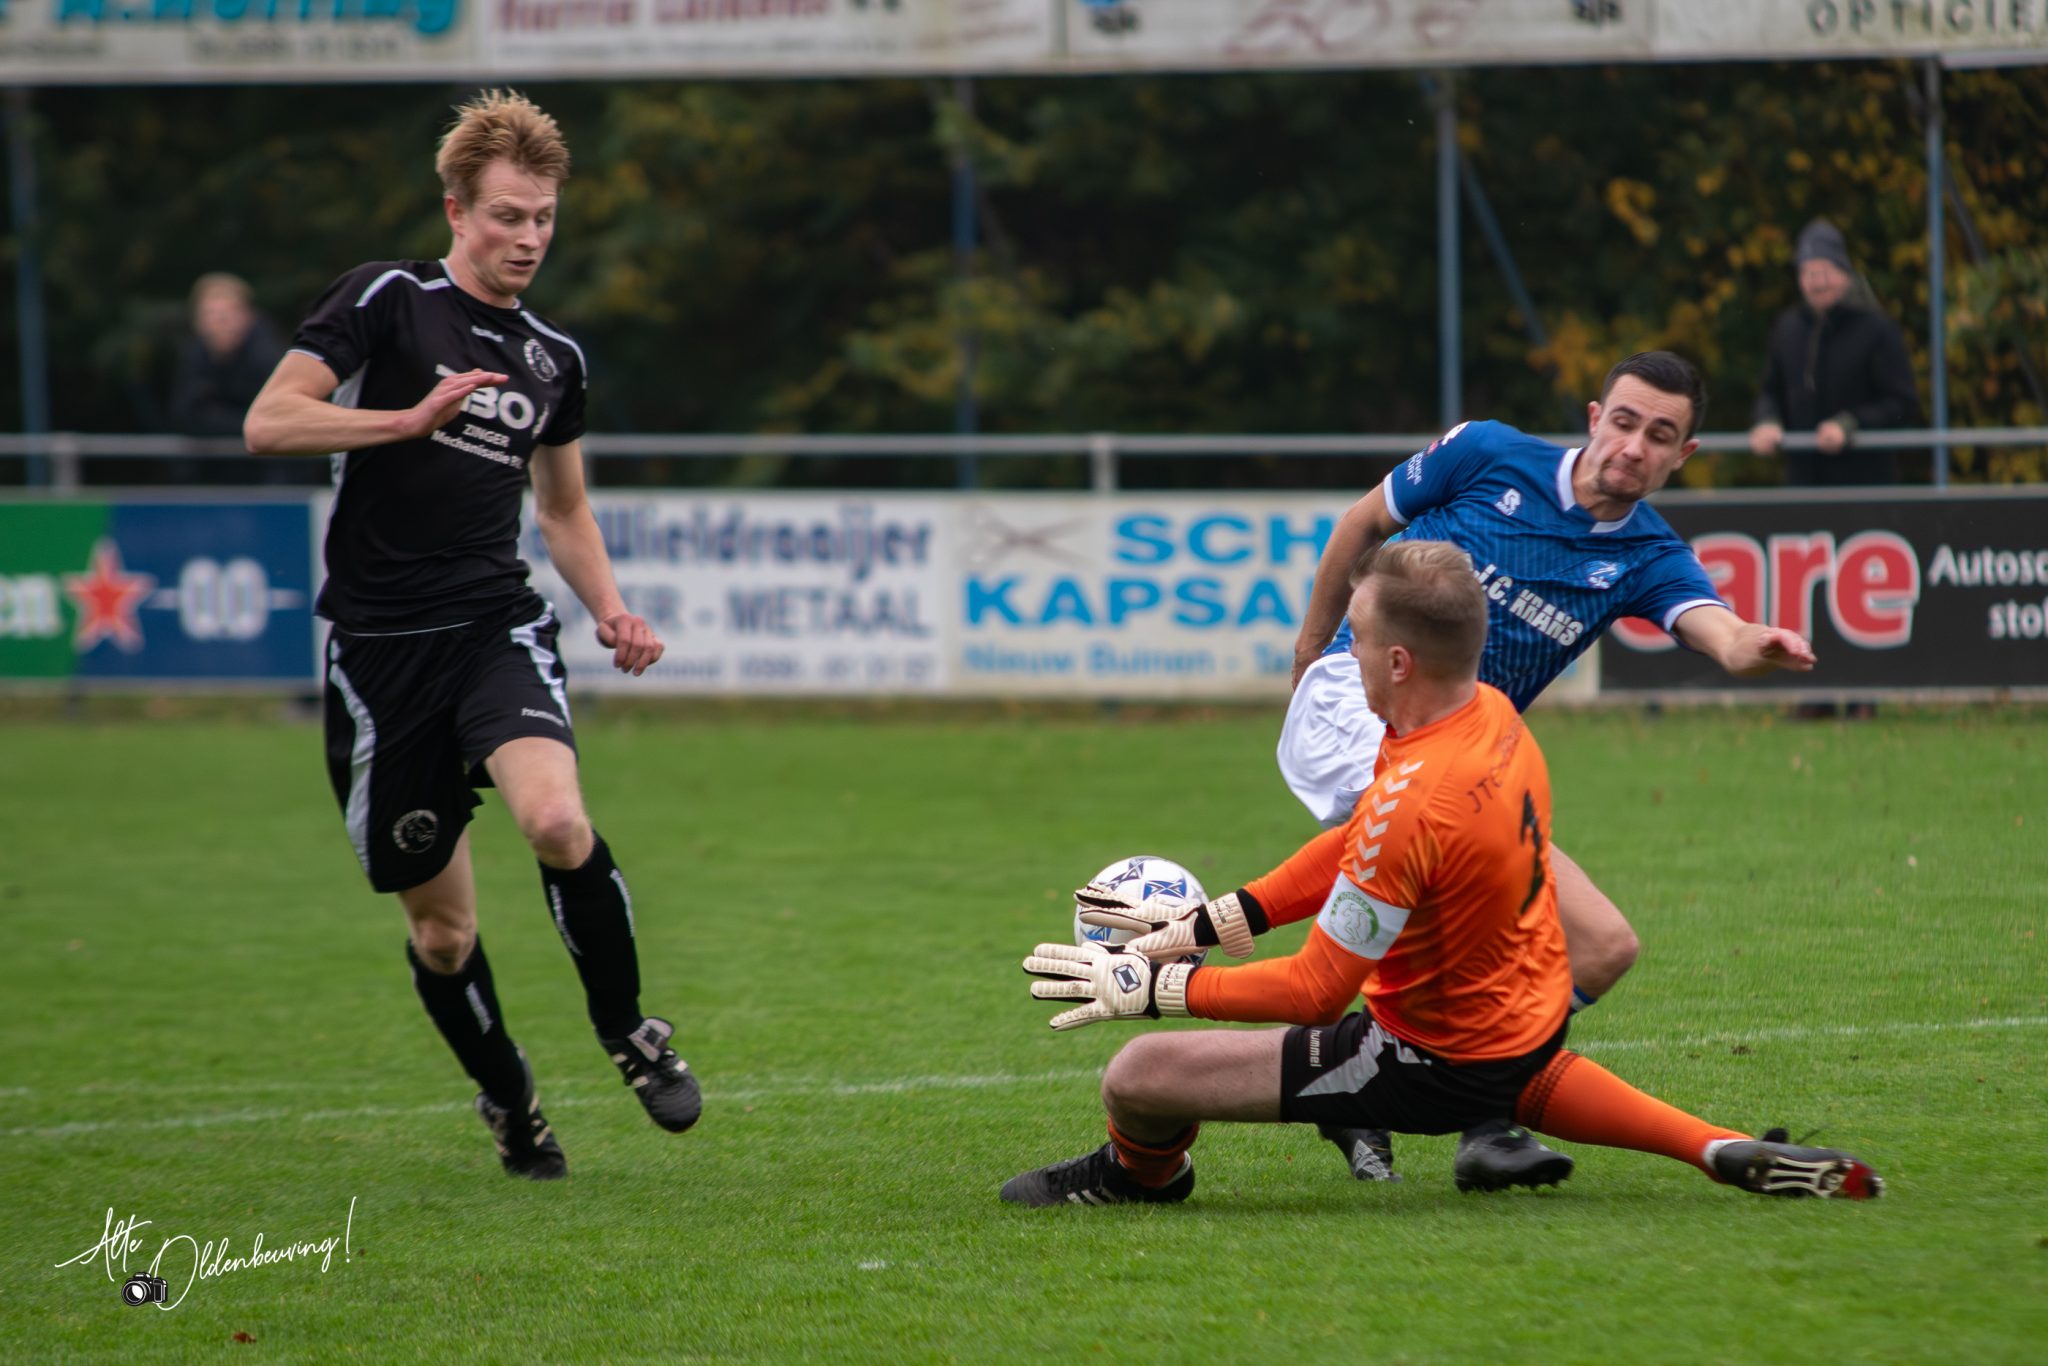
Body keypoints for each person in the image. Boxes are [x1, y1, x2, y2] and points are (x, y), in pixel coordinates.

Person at [1003, 540, 1882, 1208]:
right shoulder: (1488, 714)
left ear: (1397, 662)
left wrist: (1153, 989)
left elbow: (1317, 989)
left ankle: (1139, 1179)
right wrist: (1218, 920)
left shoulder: (1415, 804)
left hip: (1423, 1056)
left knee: (1138, 1076)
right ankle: (1717, 1148)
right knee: (1512, 1062)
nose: (1344, 657)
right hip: (1525, 1015)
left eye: (1356, 642)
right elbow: (1354, 841)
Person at [243, 90, 699, 1181]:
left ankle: (630, 1033)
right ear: (455, 208)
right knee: (442, 935)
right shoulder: (387, 301)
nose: (527, 238)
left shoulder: (554, 359)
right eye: (506, 215)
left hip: (495, 628)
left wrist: (609, 609)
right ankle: (510, 1100)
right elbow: (269, 421)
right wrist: (402, 418)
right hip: (378, 654)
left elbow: (564, 508)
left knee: (554, 817)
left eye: (542, 217)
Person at [1276, 351, 1817, 1190]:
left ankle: (1463, 1117)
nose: (1635, 446)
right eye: (1627, 422)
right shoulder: (1488, 453)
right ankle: (1406, 1090)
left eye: (1660, 435)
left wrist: (1754, 643)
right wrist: (1313, 654)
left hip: (1472, 770)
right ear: (1597, 415)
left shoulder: (1644, 555)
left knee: (1600, 949)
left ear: (1684, 456)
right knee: (1450, 922)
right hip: (1361, 709)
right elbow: (1361, 525)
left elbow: (1717, 626)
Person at [1746, 218, 1922, 488]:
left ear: (1845, 273)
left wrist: (1852, 424)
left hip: (1866, 485)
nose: (1817, 283)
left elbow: (1903, 404)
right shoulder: (1788, 327)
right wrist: (1766, 420)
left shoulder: (1877, 329)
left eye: (1824, 271)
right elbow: (1770, 390)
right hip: (1802, 486)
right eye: (1808, 273)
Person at [169, 272, 286, 440]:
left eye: (228, 314)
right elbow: (183, 416)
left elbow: (275, 420)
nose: (220, 323)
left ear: (248, 317)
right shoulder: (192, 356)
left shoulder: (268, 358)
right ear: (197, 321)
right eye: (211, 314)